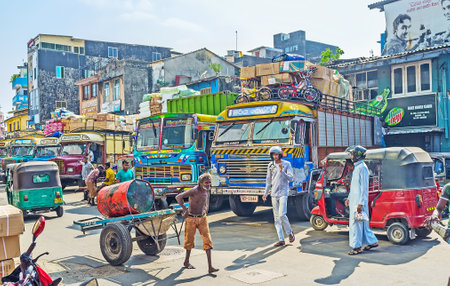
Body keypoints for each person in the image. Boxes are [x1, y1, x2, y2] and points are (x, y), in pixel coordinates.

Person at [175, 173, 218, 274]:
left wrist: (206, 208)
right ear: (200, 183)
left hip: (202, 218)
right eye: (206, 183)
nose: (208, 184)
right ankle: (186, 261)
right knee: (189, 241)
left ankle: (210, 267)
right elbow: (178, 197)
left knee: (208, 241)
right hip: (191, 218)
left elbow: (206, 199)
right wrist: (185, 209)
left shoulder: (207, 190)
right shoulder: (194, 190)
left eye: (209, 183)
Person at [345, 146, 378, 255]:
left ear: (357, 155)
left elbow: (364, 188)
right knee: (362, 224)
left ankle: (356, 247)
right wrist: (349, 198)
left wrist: (361, 203)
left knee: (356, 225)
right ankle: (372, 241)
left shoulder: (362, 168)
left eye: (352, 154)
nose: (351, 156)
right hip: (355, 201)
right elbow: (354, 187)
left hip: (358, 202)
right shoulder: (357, 167)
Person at [262, 146, 295, 247]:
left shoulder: (286, 164)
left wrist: (282, 172)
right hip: (274, 194)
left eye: (277, 154)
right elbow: (268, 180)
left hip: (283, 193)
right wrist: (265, 193)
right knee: (276, 218)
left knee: (282, 214)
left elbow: (291, 179)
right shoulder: (270, 165)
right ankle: (281, 239)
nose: (275, 156)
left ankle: (289, 233)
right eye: (273, 155)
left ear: (280, 154)